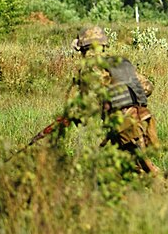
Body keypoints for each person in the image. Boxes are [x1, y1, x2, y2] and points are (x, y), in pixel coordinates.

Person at [68, 25, 160, 174]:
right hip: (142, 117)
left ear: (83, 48)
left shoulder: (89, 68)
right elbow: (148, 87)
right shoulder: (120, 62)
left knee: (140, 167)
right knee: (132, 166)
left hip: (123, 124)